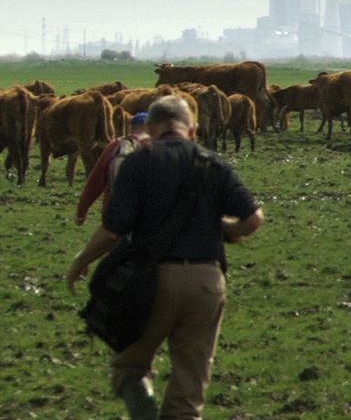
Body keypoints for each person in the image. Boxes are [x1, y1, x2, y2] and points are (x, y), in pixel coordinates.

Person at [66, 95, 264, 419]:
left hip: (151, 282)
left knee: (129, 367)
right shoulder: (211, 163)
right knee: (188, 394)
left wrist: (81, 261)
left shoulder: (139, 162)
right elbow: (253, 219)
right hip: (206, 283)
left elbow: (113, 229)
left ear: (152, 129)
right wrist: (224, 228)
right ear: (193, 130)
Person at [76, 111, 151, 226]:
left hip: (114, 214)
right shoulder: (159, 147)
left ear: (131, 127)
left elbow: (95, 182)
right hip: (149, 217)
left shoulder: (116, 146)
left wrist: (81, 212)